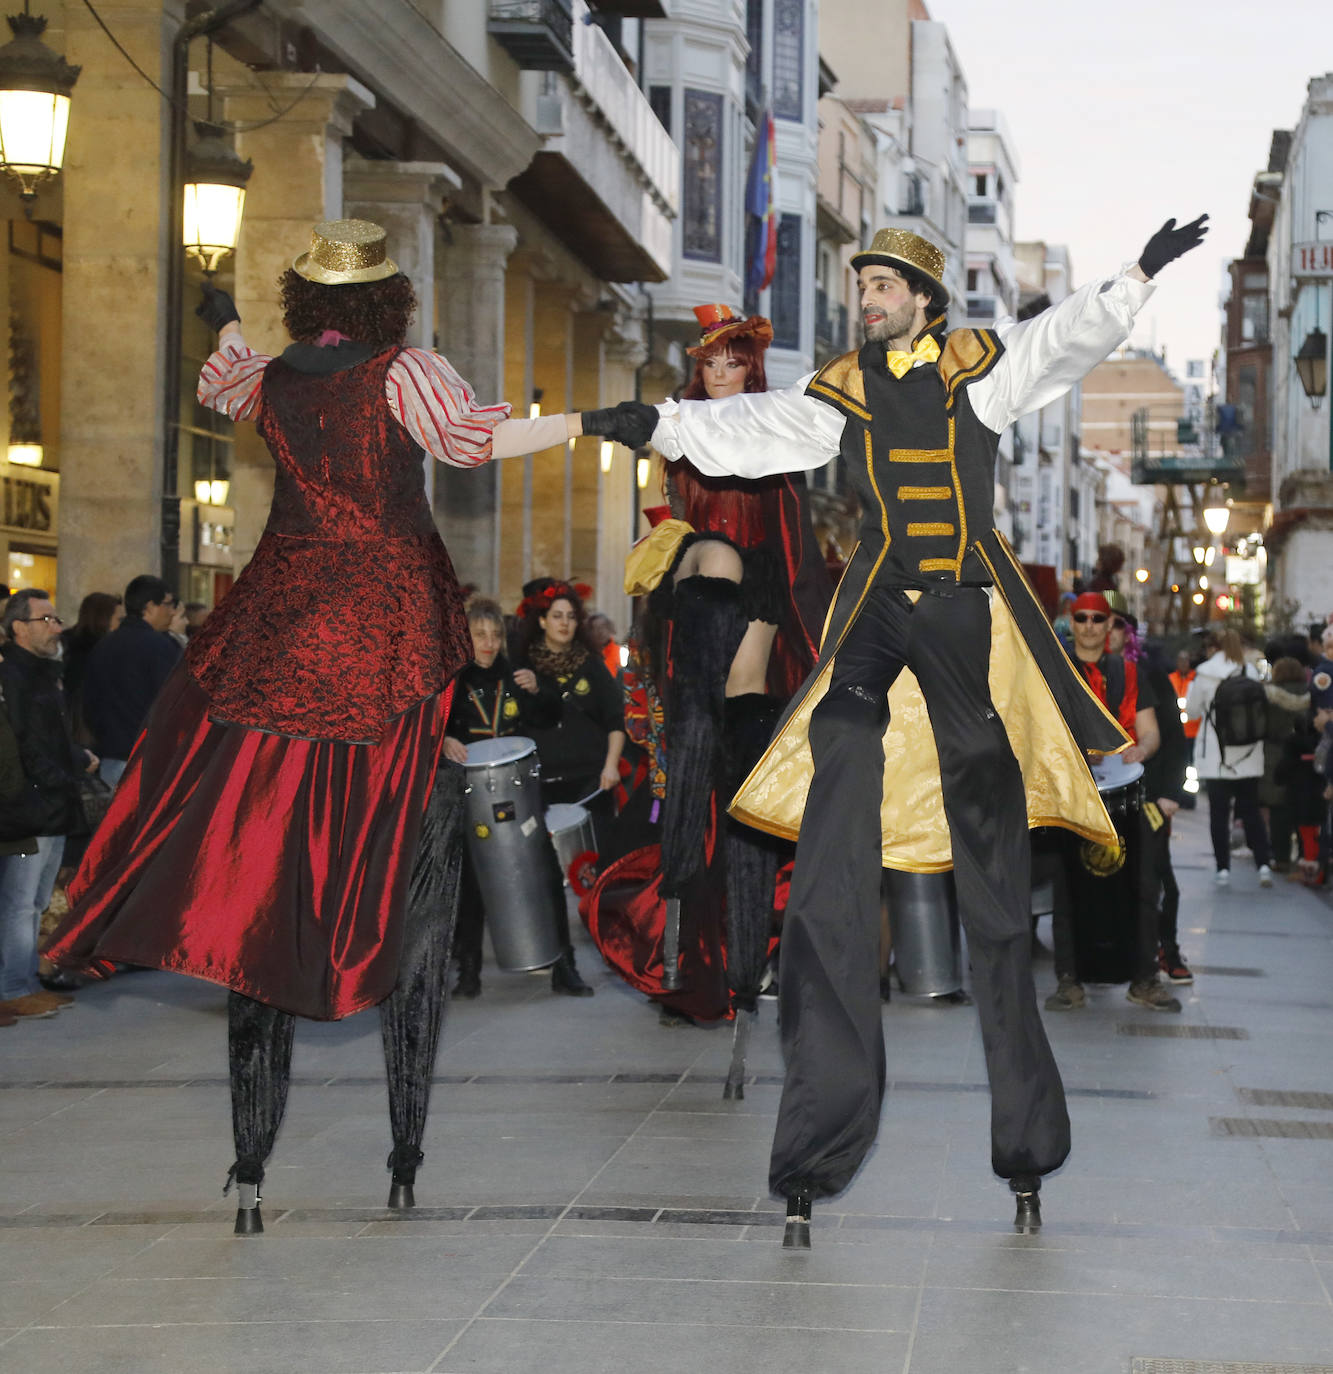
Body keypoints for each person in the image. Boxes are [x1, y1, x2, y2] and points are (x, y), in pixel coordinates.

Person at [583, 213, 1208, 1242]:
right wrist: (651, 422)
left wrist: (1135, 274)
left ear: (921, 299)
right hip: (875, 605)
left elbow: (1064, 343)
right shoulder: (845, 389)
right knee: (839, 764)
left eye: (881, 286)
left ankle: (1025, 1146)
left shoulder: (980, 369)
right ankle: (815, 1139)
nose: (866, 299)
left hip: (962, 610)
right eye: (860, 284)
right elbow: (756, 429)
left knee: (995, 895)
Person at [46, 219, 610, 1230]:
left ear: (307, 304)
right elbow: (474, 440)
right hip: (386, 620)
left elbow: (223, 368)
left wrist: (221, 305)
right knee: (398, 809)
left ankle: (252, 1027)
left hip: (281, 615)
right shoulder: (405, 373)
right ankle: (371, 1003)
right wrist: (598, 419)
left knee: (243, 791)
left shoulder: (268, 378)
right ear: (385, 303)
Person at [602, 304, 829, 1048]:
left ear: (751, 367)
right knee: (691, 781)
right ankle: (692, 963)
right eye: (710, 362)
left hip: (757, 598)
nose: (721, 371)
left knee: (741, 769)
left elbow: (789, 535)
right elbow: (673, 521)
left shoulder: (773, 425)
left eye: (733, 360)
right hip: (695, 597)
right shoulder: (679, 430)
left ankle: (738, 955)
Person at [442, 597, 591, 997]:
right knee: (471, 883)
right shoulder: (452, 683)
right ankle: (468, 972)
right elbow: (427, 727)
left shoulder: (515, 675)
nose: (488, 643)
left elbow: (549, 717)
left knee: (545, 872)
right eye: (479, 635)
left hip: (521, 791)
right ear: (465, 638)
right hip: (470, 795)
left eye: (494, 635)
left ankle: (565, 966)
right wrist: (444, 740)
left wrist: (540, 690)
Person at [1052, 593, 1176, 1012]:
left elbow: (1151, 731)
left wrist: (1143, 750)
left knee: (1143, 887)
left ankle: (1144, 979)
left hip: (1129, 796)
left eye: (1097, 618)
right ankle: (1069, 981)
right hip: (1073, 796)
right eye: (1081, 617)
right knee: (1067, 889)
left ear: (1110, 625)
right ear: (1072, 621)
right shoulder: (1055, 671)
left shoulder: (1131, 672)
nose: (1089, 625)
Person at [0, 590, 99, 1021]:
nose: (55, 627)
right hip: (31, 808)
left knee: (37, 901)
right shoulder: (15, 676)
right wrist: (62, 776)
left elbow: (52, 740)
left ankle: (25, 983)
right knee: (21, 902)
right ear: (19, 627)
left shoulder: (43, 673)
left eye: (56, 618)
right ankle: (13, 987)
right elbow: (26, 745)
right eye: (45, 619)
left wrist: (74, 762)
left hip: (52, 804)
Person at [513, 580, 626, 854]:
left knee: (595, 861)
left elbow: (615, 720)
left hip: (591, 782)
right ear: (542, 621)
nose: (564, 623)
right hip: (543, 786)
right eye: (556, 616)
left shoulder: (592, 665)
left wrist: (610, 767)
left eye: (571, 617)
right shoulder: (524, 667)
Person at [1185, 627, 1273, 887]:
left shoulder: (1205, 673)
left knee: (1219, 814)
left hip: (1216, 756)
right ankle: (1264, 865)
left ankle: (1223, 869)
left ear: (1213, 648)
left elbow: (1191, 712)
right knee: (1251, 812)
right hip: (1248, 755)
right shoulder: (1251, 672)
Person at [81, 575, 181, 788]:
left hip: (109, 759)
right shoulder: (160, 647)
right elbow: (174, 706)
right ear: (150, 607)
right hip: (148, 763)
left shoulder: (103, 645)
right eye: (169, 604)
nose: (172, 611)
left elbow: (88, 704)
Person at [1260, 657, 1312, 870]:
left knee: (1278, 807)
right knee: (1303, 809)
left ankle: (1281, 857)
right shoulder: (1311, 692)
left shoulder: (1270, 694)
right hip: (1305, 755)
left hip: (1275, 753)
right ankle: (1304, 854)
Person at [61, 592, 124, 745]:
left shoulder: (70, 644)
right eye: (120, 619)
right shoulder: (95, 652)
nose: (123, 625)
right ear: (103, 619)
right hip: (89, 737)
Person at [1169, 649, 1200, 767]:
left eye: (1186, 660)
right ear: (1176, 662)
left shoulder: (1197, 678)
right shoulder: (1170, 678)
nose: (1183, 663)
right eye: (1180, 660)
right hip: (1176, 732)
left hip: (1194, 732)